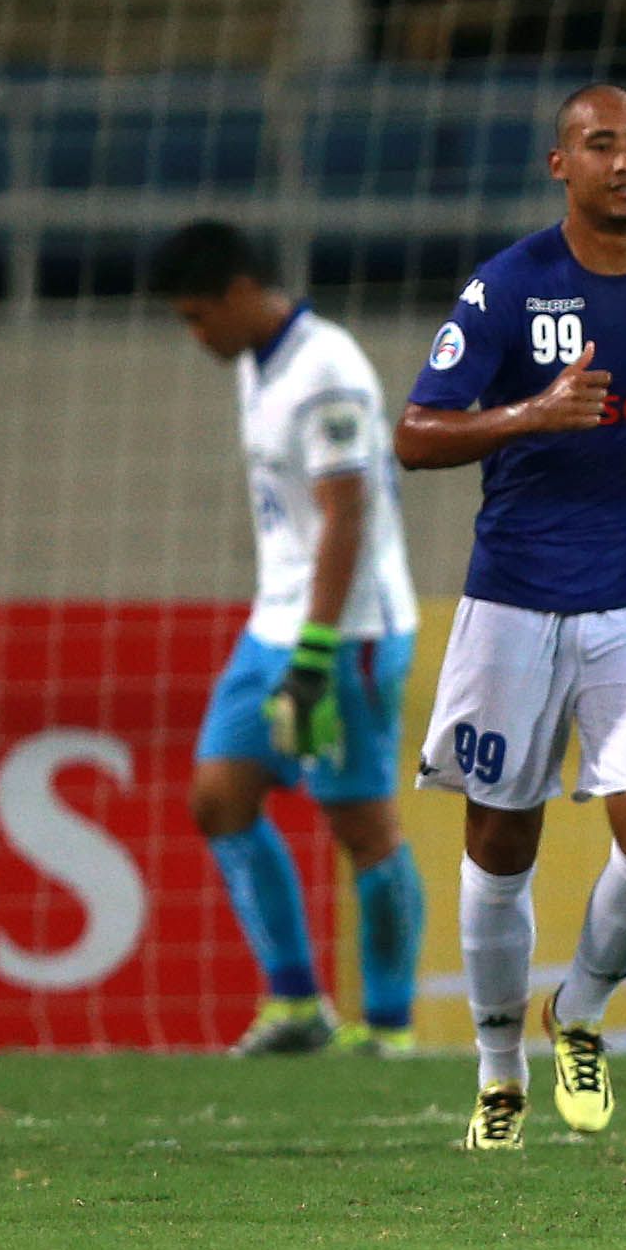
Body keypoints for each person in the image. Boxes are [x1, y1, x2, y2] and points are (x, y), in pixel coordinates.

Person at [396, 83, 626, 1151]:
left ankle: (579, 1011)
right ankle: (498, 1070)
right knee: (502, 843)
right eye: (603, 145)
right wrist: (530, 416)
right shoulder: (507, 292)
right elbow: (415, 433)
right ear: (562, 166)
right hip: (515, 601)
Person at [152, 220, 426, 1058]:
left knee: (362, 827)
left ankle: (387, 1028)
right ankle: (298, 1003)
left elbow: (349, 516)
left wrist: (313, 655)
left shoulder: (326, 372)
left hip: (346, 633)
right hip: (275, 620)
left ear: (242, 292)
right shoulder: (253, 363)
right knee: (219, 797)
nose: (195, 336)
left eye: (200, 316)